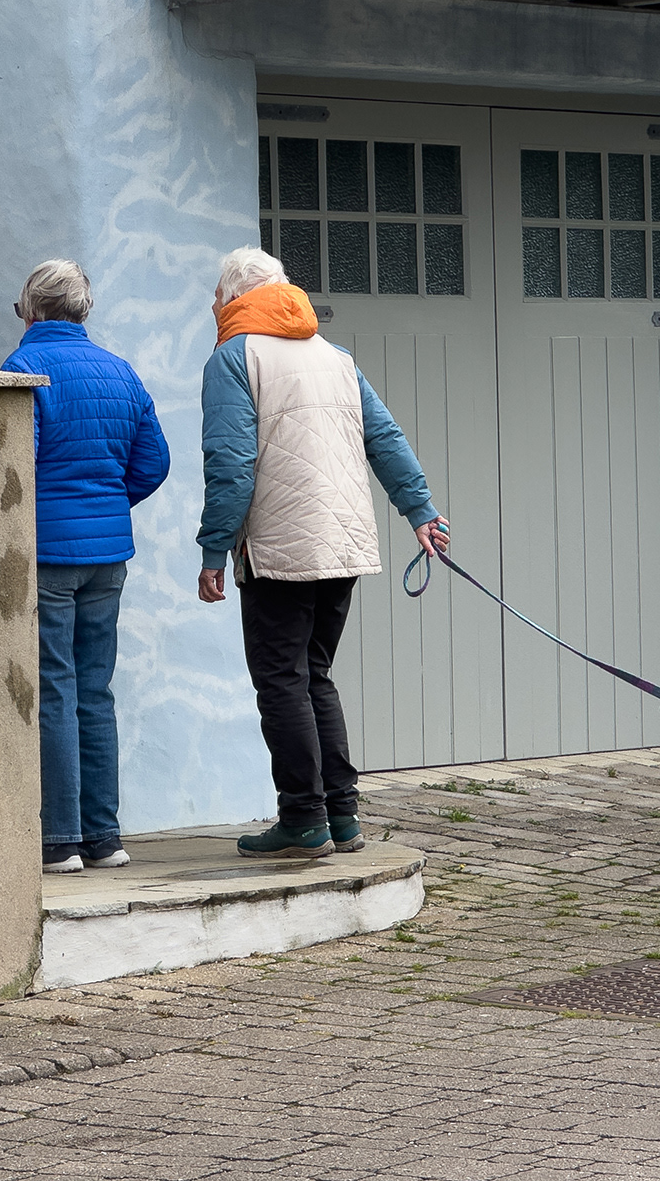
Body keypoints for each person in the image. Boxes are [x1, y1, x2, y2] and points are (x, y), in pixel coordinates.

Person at [197, 247, 448, 860]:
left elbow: (230, 465)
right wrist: (420, 511)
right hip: (343, 542)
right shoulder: (334, 356)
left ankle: (303, 819)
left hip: (280, 546)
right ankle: (342, 816)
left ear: (231, 301)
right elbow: (382, 435)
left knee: (281, 679)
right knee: (315, 675)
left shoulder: (233, 358)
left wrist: (212, 551)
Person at [2, 259, 170, 874]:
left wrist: (61, 510)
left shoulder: (23, 369)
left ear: (32, 307)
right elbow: (152, 461)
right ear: (83, 309)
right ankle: (106, 837)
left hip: (48, 552)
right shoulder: (121, 371)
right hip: (108, 554)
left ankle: (60, 841)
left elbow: (17, 465)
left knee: (55, 688)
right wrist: (105, 504)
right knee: (96, 691)